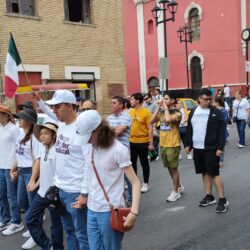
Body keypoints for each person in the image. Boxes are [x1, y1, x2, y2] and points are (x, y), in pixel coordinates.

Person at [72, 110, 141, 250]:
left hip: (110, 210)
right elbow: (88, 171)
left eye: (88, 137)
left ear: (97, 131)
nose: (87, 141)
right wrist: (84, 194)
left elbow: (135, 182)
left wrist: (133, 212)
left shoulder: (118, 150)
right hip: (91, 208)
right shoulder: (88, 146)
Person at [34, 90, 89, 250]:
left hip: (76, 192)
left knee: (82, 234)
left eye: (58, 106)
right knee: (70, 231)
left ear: (70, 106)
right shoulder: (62, 124)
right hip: (60, 190)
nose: (55, 110)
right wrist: (41, 103)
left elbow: (88, 163)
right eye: (54, 107)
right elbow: (50, 114)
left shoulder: (81, 129)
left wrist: (84, 193)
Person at [186, 88, 229, 213]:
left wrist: (220, 148)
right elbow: (190, 128)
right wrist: (188, 144)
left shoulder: (216, 112)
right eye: (205, 99)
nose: (208, 102)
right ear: (199, 98)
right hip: (198, 148)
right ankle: (209, 196)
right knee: (204, 172)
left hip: (211, 148)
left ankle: (222, 199)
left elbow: (222, 132)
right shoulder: (193, 111)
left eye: (210, 99)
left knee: (214, 173)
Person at [25, 122, 64, 250]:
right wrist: (36, 182)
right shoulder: (43, 148)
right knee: (30, 219)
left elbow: (59, 173)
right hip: (42, 192)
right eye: (41, 134)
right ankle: (48, 245)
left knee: (56, 224)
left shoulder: (58, 151)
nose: (42, 136)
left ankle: (57, 248)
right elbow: (44, 168)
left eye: (46, 133)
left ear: (54, 135)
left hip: (54, 194)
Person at [7, 108, 41, 249]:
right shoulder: (21, 133)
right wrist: (13, 169)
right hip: (22, 171)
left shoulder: (35, 137)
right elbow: (18, 154)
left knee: (34, 206)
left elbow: (37, 159)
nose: (18, 119)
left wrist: (33, 179)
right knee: (22, 201)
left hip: (30, 172)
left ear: (30, 121)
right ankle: (32, 226)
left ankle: (36, 235)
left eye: (22, 118)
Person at [150, 92, 184, 202]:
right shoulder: (162, 111)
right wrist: (159, 107)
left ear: (173, 101)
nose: (164, 100)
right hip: (163, 143)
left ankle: (175, 192)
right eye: (163, 98)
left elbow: (168, 120)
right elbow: (151, 121)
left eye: (166, 99)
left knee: (174, 168)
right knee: (169, 168)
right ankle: (178, 186)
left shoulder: (178, 113)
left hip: (173, 144)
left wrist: (164, 108)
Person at [107, 96, 132, 206]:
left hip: (123, 151)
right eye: (111, 103)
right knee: (115, 177)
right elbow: (110, 132)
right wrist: (112, 131)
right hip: (110, 150)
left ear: (121, 105)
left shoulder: (126, 116)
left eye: (114, 103)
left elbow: (119, 131)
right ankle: (120, 199)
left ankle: (132, 200)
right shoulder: (109, 118)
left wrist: (109, 132)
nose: (111, 105)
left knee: (128, 176)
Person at [0, 106, 21, 231]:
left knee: (11, 196)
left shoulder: (13, 129)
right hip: (1, 166)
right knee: (1, 195)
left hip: (10, 167)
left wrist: (15, 167)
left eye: (1, 114)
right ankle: (5, 219)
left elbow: (19, 150)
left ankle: (17, 221)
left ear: (8, 115)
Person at [129, 93, 154, 193]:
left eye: (132, 99)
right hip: (132, 141)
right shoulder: (130, 112)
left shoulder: (146, 112)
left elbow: (150, 129)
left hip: (143, 141)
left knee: (144, 163)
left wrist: (151, 143)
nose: (130, 101)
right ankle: (134, 182)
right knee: (132, 163)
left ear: (138, 101)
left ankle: (146, 183)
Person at [214, 97, 229, 168]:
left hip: (222, 132)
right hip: (214, 132)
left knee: (221, 147)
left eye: (214, 102)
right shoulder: (213, 110)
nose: (212, 103)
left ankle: (221, 161)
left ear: (217, 102)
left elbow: (224, 122)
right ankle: (217, 161)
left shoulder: (223, 110)